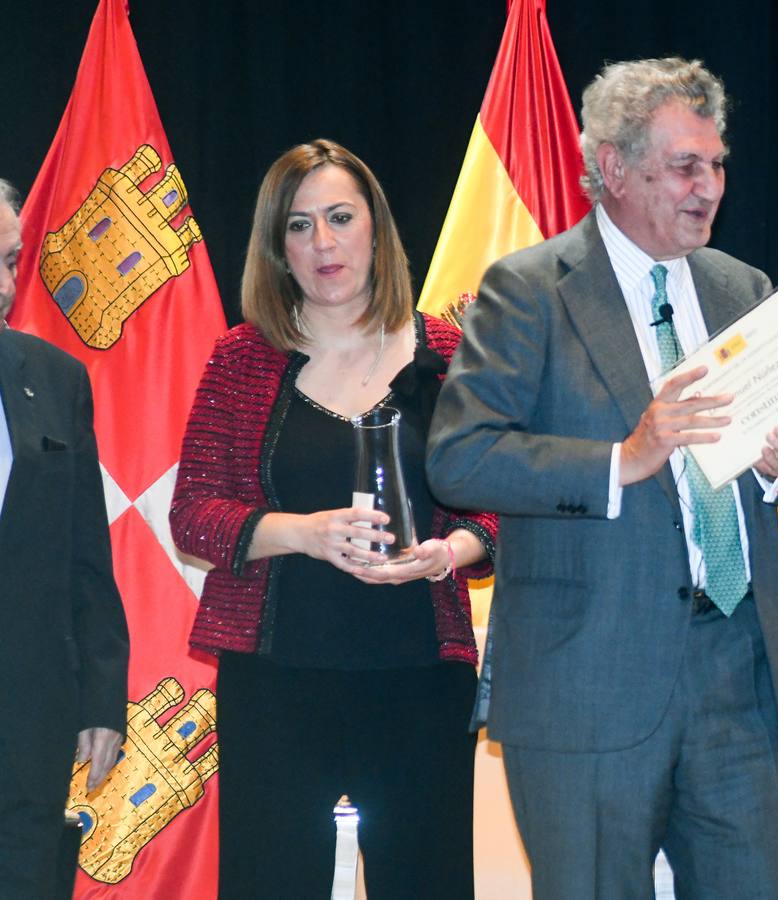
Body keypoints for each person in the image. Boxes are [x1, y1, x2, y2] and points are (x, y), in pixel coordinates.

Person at [427, 58, 778, 898]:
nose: (710, 186)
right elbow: (459, 455)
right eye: (686, 166)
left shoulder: (742, 287)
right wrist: (625, 458)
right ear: (612, 167)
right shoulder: (529, 290)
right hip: (588, 681)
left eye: (718, 164)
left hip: (737, 677)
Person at [169, 140, 496, 899]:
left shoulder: (449, 354)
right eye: (299, 226)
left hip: (421, 682)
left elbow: (502, 509)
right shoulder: (241, 359)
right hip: (277, 684)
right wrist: (306, 534)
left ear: (375, 229)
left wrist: (451, 549)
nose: (322, 243)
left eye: (340, 218)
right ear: (276, 249)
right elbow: (193, 516)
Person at [0, 178, 129, 898]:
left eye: (12, 261)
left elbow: (85, 555)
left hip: (26, 723)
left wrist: (102, 697)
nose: (3, 285)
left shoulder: (55, 379)